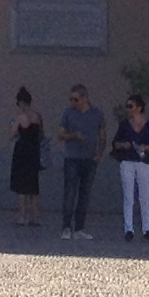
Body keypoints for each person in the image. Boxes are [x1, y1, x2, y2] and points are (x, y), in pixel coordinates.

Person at [54, 84, 104, 238]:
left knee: (85, 194)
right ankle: (66, 228)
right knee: (70, 193)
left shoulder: (97, 113)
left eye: (75, 99)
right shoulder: (68, 113)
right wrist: (73, 136)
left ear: (84, 98)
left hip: (89, 159)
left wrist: (99, 155)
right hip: (72, 158)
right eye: (71, 99)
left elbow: (102, 134)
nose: (73, 102)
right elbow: (60, 135)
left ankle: (79, 228)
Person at [111, 95, 149, 241]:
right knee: (128, 196)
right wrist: (123, 145)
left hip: (143, 162)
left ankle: (146, 229)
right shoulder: (124, 125)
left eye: (130, 106)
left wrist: (145, 147)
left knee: (144, 197)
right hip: (127, 161)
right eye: (127, 106)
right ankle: (129, 229)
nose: (128, 109)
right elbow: (115, 143)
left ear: (139, 108)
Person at [8, 88, 45, 229]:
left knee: (21, 187)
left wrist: (12, 126)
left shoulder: (19, 118)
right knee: (34, 186)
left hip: (22, 152)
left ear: (21, 102)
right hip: (34, 152)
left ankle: (22, 216)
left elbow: (11, 135)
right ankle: (36, 217)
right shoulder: (38, 117)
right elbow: (41, 134)